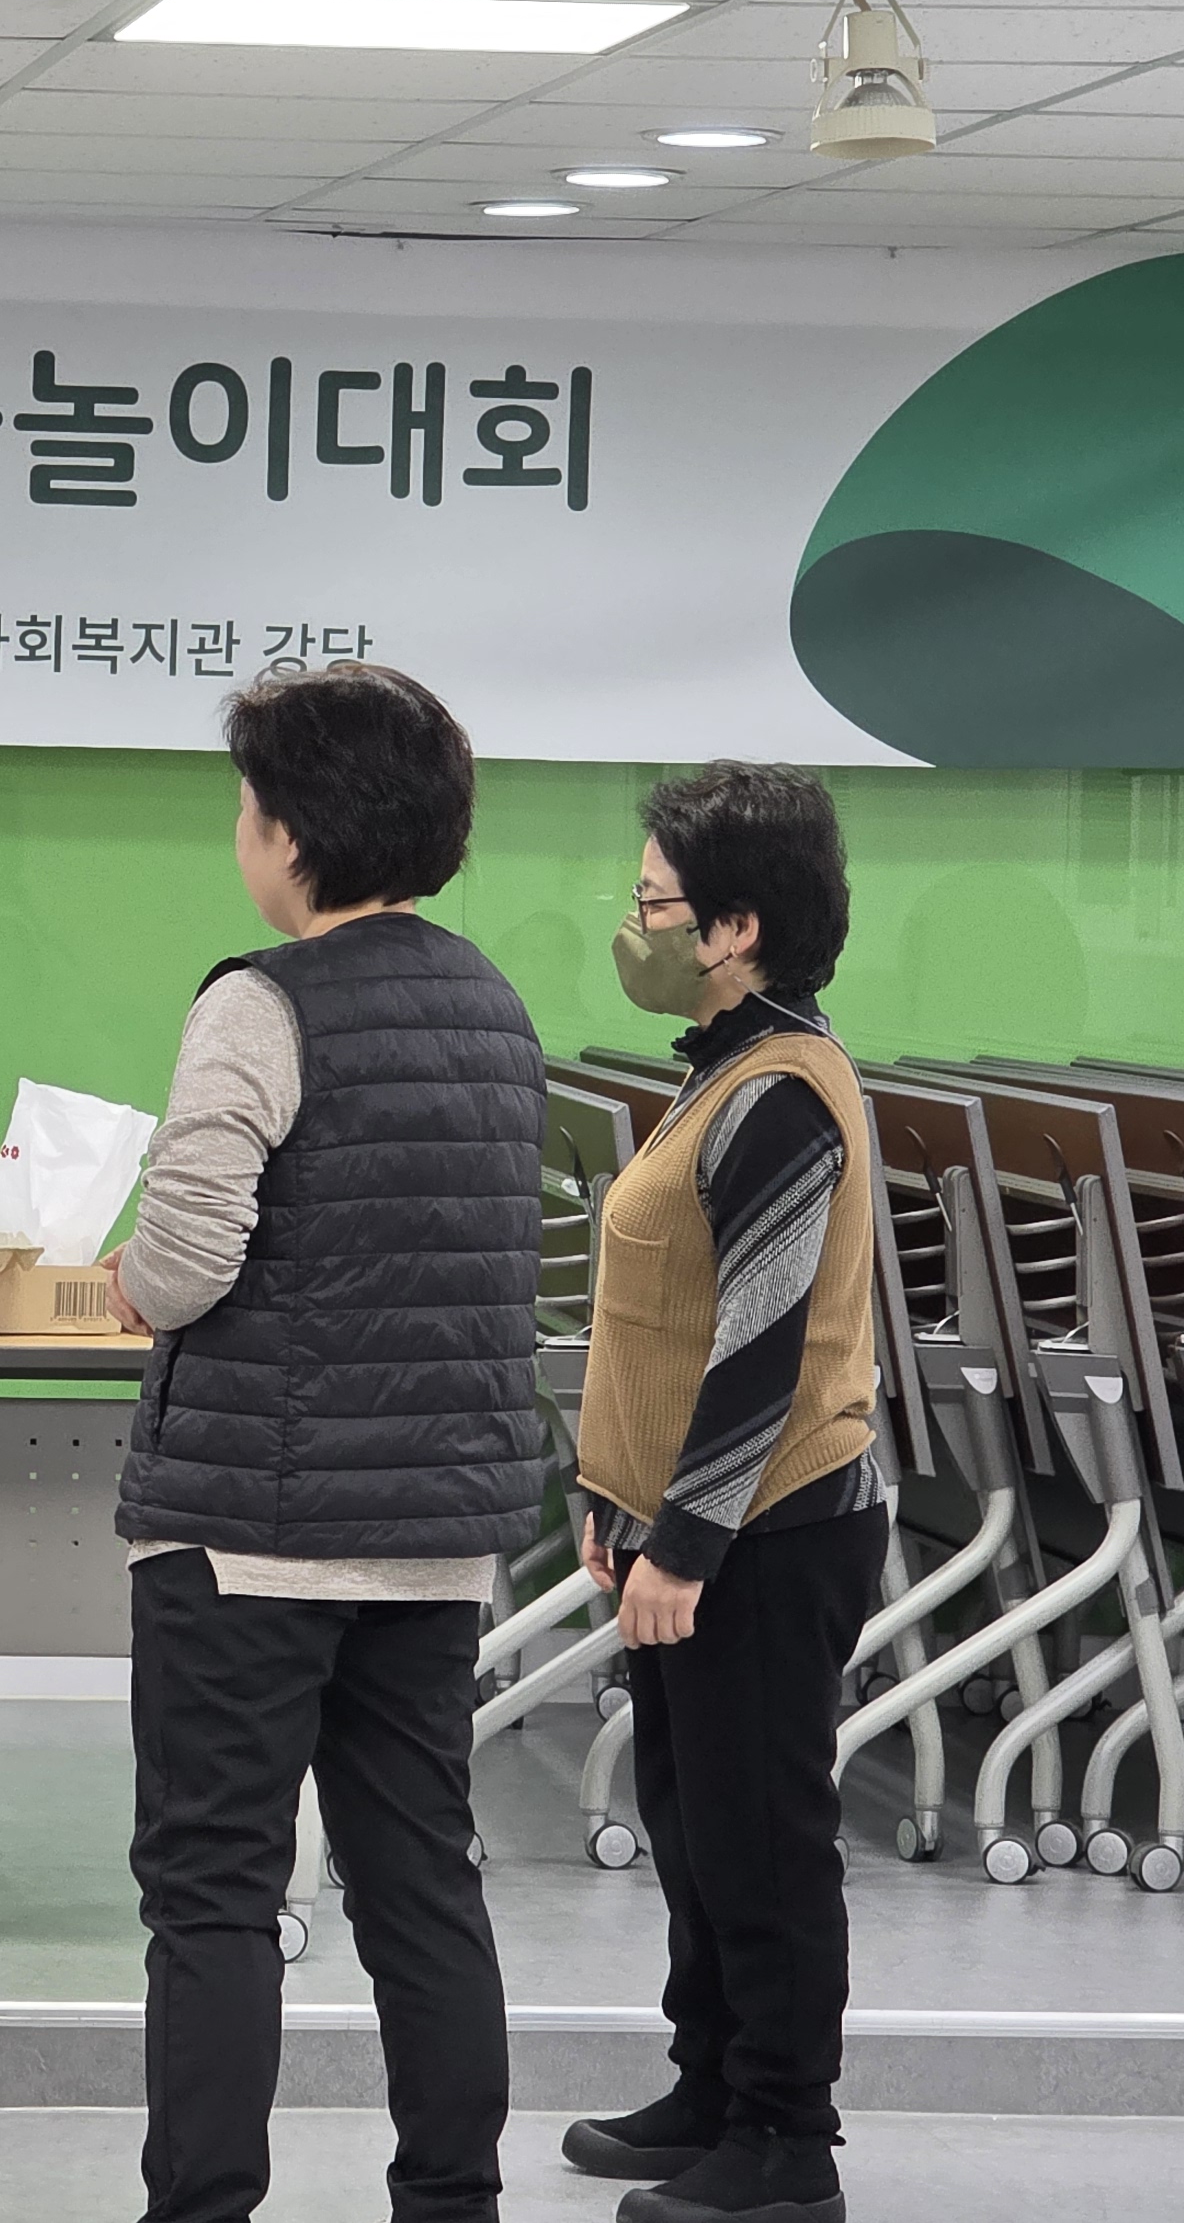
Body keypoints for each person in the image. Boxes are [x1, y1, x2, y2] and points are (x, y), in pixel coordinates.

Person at [106, 664, 541, 2223]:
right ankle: (452, 2198)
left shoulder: (260, 1003)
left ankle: (204, 2206)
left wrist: (127, 1282)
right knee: (421, 1879)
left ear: (292, 832)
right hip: (432, 1539)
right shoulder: (495, 1008)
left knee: (215, 1893)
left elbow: (186, 1260)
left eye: (248, 807)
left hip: (248, 1540)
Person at [561, 761, 888, 2223]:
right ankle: (712, 2087)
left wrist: (683, 1543)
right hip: (694, 1522)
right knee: (694, 1831)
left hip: (769, 1530)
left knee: (761, 1842)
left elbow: (760, 1344)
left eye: (654, 904)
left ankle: (785, 2142)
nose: (633, 927)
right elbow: (661, 1318)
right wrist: (615, 1499)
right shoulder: (721, 1068)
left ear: (736, 926)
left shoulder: (782, 1094)